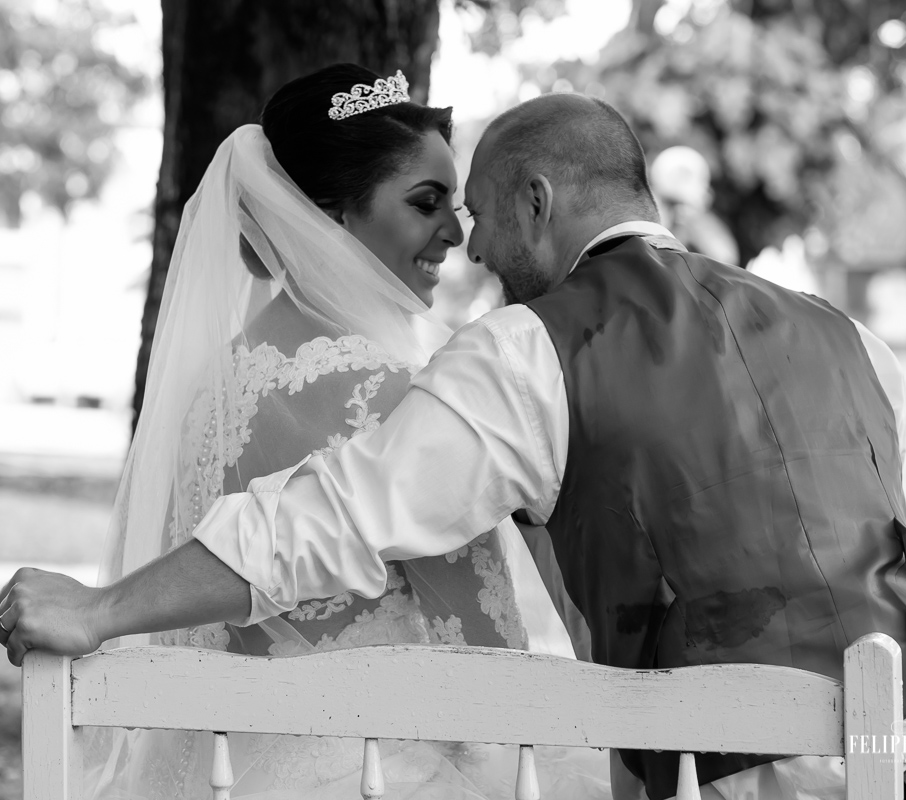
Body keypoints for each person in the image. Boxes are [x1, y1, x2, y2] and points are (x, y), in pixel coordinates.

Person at [0, 93, 906, 800]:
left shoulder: (534, 350)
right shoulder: (843, 330)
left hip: (749, 770)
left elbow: (331, 518)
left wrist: (102, 606)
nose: (472, 249)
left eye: (482, 211)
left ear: (536, 200)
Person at [61, 65, 609, 799]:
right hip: (378, 773)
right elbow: (483, 646)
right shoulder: (392, 394)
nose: (457, 232)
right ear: (329, 216)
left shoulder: (218, 388)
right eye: (426, 202)